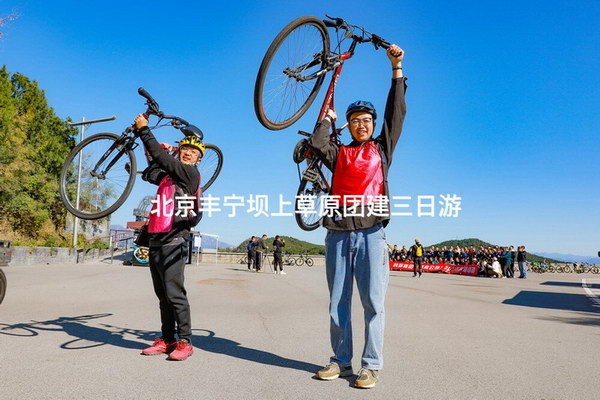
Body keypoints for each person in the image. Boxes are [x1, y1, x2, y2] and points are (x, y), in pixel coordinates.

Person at [311, 44, 407, 389]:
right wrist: (328, 118)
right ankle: (340, 361)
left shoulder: (381, 148)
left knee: (373, 304)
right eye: (356, 121)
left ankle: (371, 366)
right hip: (337, 232)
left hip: (371, 234)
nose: (362, 125)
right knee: (338, 301)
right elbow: (319, 142)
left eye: (367, 120)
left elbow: (395, 113)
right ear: (349, 126)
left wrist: (396, 69)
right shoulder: (339, 154)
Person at [134, 114, 204, 361]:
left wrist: (145, 130)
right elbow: (150, 172)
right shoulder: (168, 176)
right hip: (155, 238)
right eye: (184, 149)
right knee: (162, 294)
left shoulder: (190, 175)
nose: (188, 153)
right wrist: (150, 152)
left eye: (193, 152)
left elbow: (164, 160)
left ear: (198, 159)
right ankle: (167, 339)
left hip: (175, 239)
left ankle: (185, 341)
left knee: (175, 293)